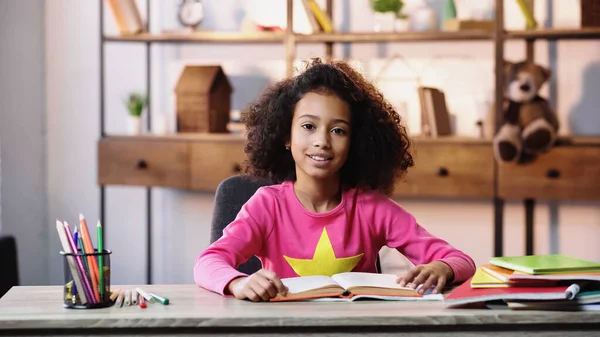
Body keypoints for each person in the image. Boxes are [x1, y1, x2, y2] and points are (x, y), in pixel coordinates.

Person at [194, 58, 476, 302]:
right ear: (286, 137)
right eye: (308, 126)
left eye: (338, 130)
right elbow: (207, 262)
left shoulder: (371, 207)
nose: (322, 142)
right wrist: (239, 282)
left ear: (356, 141)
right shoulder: (267, 206)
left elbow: (462, 261)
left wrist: (442, 268)